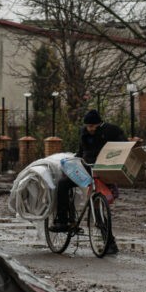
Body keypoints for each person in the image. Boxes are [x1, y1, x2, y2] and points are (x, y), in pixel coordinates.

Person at [50, 109, 127, 254]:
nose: (90, 129)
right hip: (85, 169)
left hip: (102, 171)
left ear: (100, 124)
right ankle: (62, 220)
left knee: (97, 208)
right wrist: (72, 162)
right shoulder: (83, 132)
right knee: (63, 184)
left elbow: (124, 147)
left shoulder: (111, 131)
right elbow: (81, 151)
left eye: (93, 126)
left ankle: (110, 243)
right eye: (88, 126)